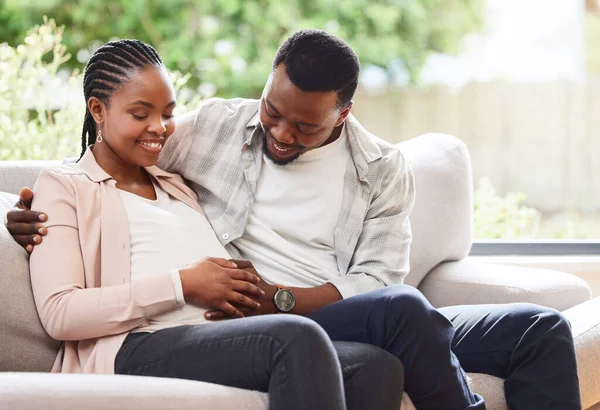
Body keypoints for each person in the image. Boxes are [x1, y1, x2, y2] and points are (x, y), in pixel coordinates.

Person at [7, 30, 581, 410]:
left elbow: (376, 286)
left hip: (327, 311)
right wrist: (30, 216)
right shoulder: (208, 134)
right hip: (199, 329)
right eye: (272, 111)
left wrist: (276, 298)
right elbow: (102, 155)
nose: (281, 133)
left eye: (304, 126)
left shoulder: (379, 170)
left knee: (537, 327)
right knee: (397, 320)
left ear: (342, 113)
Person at [18, 38, 405, 410]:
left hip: (218, 336)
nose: (160, 128)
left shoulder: (173, 179)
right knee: (295, 338)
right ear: (98, 111)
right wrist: (183, 284)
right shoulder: (65, 186)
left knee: (376, 365)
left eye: (168, 114)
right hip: (137, 341)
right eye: (141, 114)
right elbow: (60, 313)